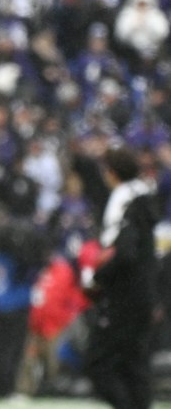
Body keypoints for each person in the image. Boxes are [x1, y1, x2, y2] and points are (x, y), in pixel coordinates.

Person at [84, 146, 159, 409]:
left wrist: (98, 276)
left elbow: (125, 253)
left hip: (124, 297)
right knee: (134, 365)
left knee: (98, 363)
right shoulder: (146, 200)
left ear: (112, 172)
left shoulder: (126, 203)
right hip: (145, 294)